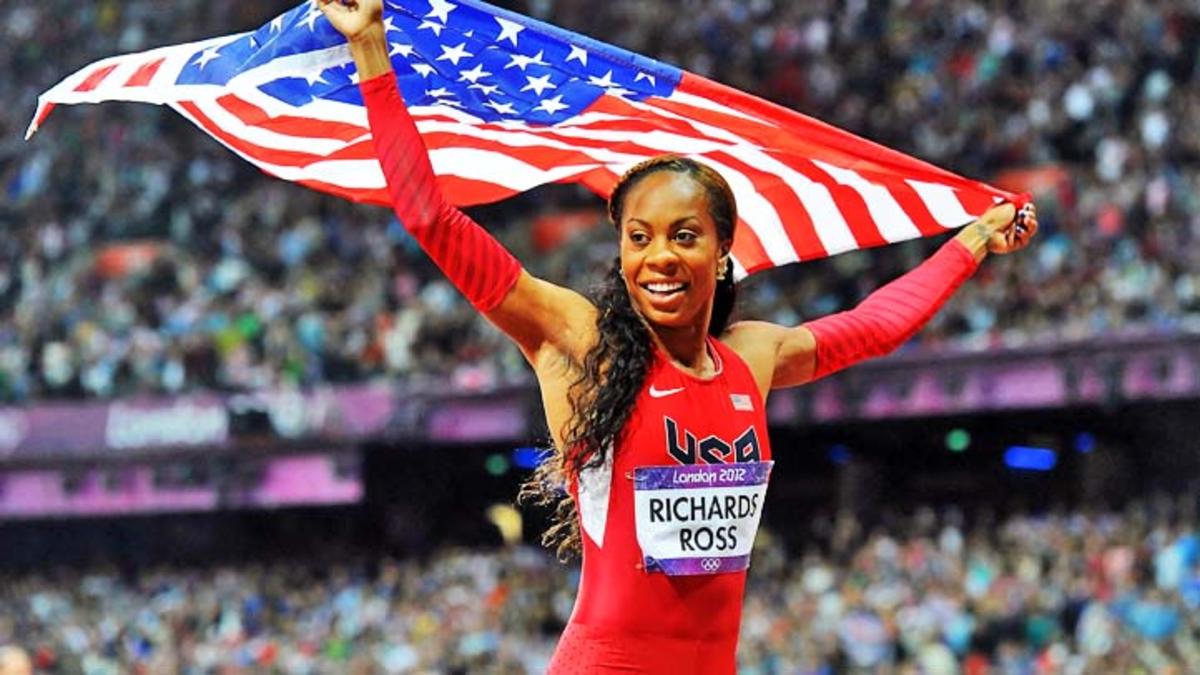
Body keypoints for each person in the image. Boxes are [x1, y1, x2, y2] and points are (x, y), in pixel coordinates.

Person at [318, 1, 1038, 672]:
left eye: (683, 235)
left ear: (722, 250)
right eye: (639, 237)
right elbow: (432, 220)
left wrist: (973, 239)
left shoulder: (751, 357)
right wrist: (372, 51)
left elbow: (876, 327)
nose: (658, 256)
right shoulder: (583, 342)